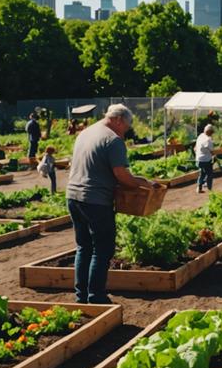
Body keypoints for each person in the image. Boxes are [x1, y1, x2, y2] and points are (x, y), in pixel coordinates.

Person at [67, 104, 159, 304]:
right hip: (96, 201)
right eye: (126, 126)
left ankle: (81, 296)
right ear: (118, 119)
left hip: (73, 197)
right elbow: (122, 176)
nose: (126, 131)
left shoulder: (86, 133)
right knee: (102, 249)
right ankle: (96, 297)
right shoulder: (113, 140)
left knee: (83, 246)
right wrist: (143, 184)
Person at [195, 124, 215, 194]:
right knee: (209, 174)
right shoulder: (208, 140)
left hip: (198, 160)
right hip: (206, 160)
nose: (212, 134)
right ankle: (210, 189)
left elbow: (195, 148)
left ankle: (199, 187)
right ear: (209, 132)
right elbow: (212, 152)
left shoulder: (200, 136)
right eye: (211, 132)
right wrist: (215, 155)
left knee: (202, 173)